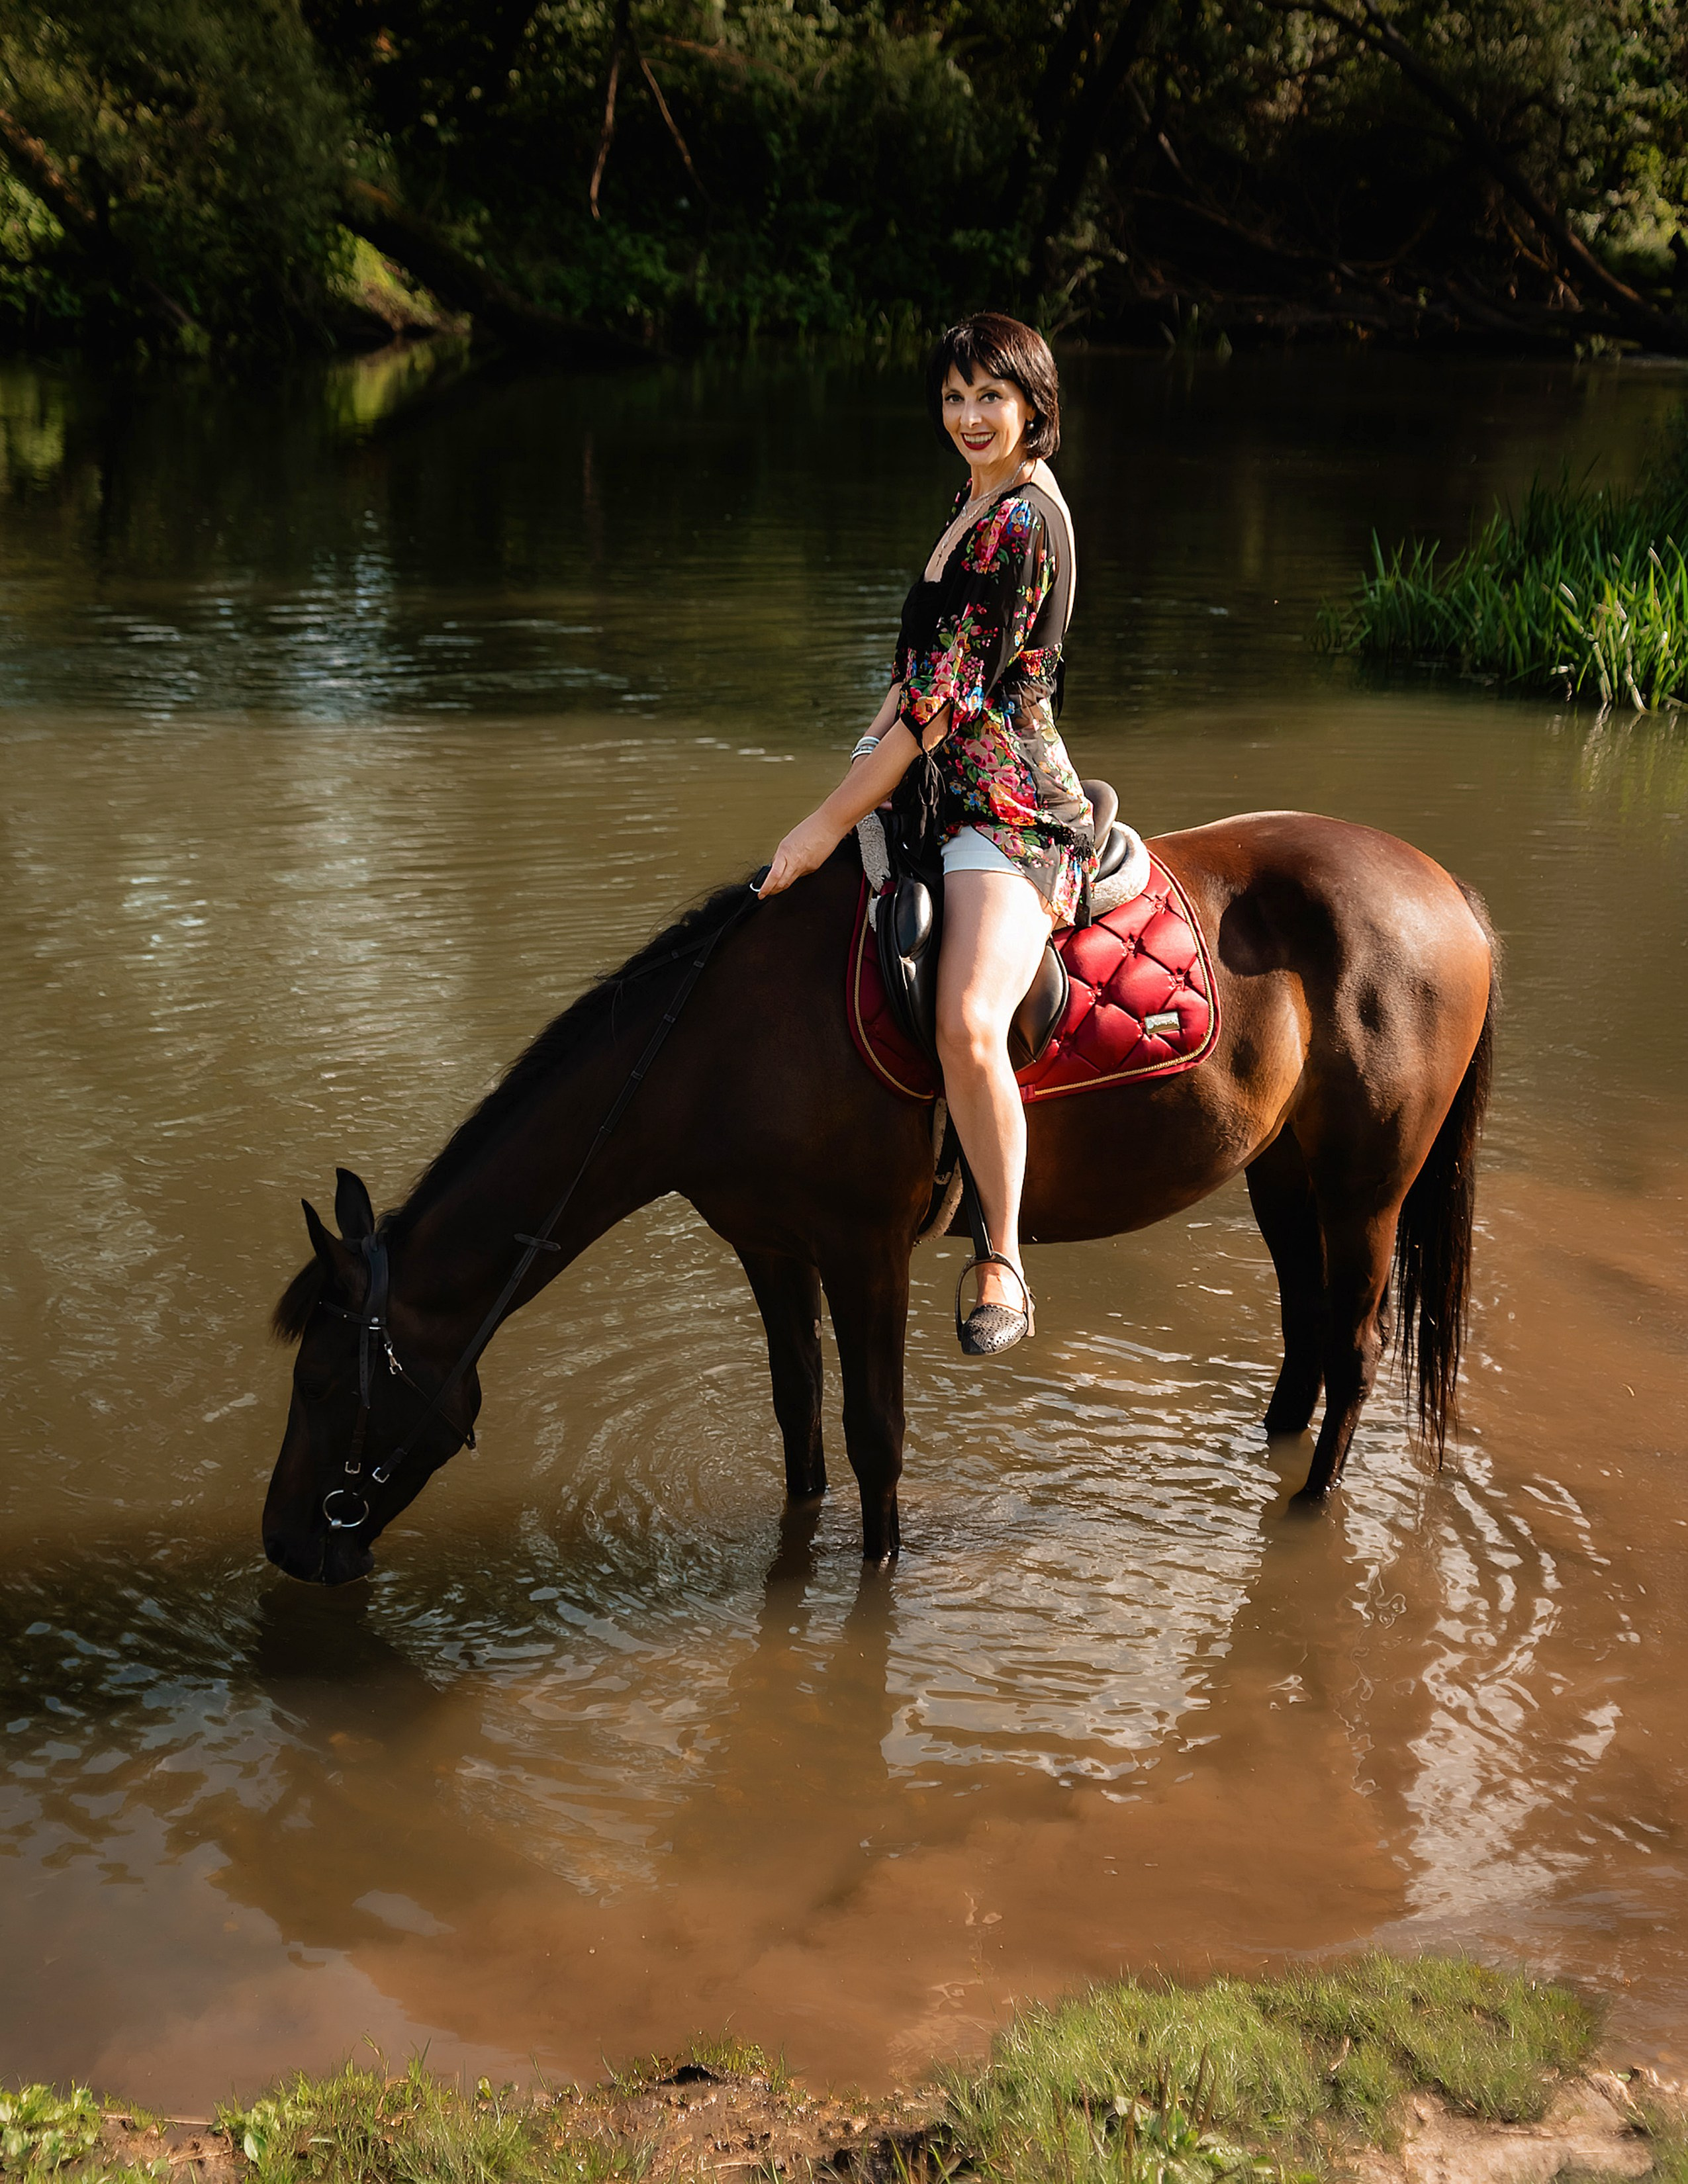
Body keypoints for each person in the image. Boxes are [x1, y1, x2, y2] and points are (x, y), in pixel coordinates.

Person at [758, 312, 1096, 1357]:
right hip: (935, 786)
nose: (967, 417)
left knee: (962, 1022)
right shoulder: (975, 496)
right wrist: (872, 725)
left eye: (988, 398)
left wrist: (821, 824)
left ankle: (1002, 1252)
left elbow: (943, 707)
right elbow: (928, 668)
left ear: (1032, 405)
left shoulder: (1018, 524)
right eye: (952, 398)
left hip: (1004, 807)